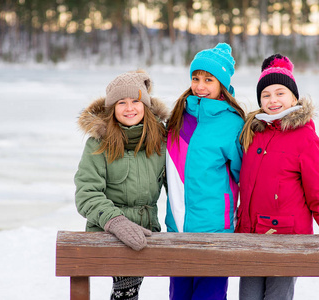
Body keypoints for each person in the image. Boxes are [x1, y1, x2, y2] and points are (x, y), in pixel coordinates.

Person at [236, 54, 319, 300]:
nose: (273, 100)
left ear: (293, 97)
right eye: (266, 95)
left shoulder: (304, 137)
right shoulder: (253, 132)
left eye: (280, 93)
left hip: (287, 240)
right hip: (252, 237)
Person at [74, 70, 168, 300]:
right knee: (125, 291)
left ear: (145, 104)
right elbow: (87, 193)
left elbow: (179, 182)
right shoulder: (99, 143)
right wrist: (115, 222)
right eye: (121, 102)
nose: (129, 108)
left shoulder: (161, 139)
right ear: (112, 108)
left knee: (129, 291)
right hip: (109, 231)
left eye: (136, 101)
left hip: (146, 231)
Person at [165, 43, 245, 300]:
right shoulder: (178, 116)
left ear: (222, 84)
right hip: (177, 228)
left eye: (208, 79)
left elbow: (242, 173)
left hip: (215, 232)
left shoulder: (233, 123)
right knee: (179, 296)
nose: (200, 86)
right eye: (195, 78)